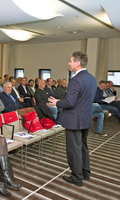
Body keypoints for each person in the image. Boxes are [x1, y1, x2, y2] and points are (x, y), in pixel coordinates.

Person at [48, 51, 97, 187]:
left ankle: (76, 177)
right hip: (85, 118)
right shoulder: (92, 78)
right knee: (83, 147)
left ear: (78, 63)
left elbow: (70, 103)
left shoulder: (76, 79)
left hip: (75, 120)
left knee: (74, 150)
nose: (69, 63)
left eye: (70, 61)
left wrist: (57, 103)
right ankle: (85, 173)